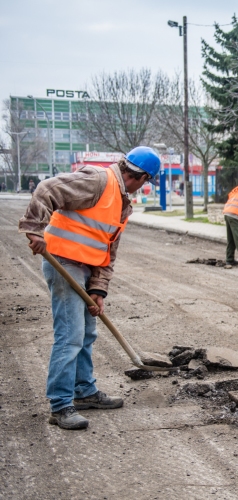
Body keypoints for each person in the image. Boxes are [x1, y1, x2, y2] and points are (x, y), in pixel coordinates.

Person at [18, 146, 160, 430]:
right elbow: (47, 189)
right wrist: (34, 228)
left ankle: (84, 391)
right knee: (70, 335)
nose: (146, 186)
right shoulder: (97, 180)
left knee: (87, 333)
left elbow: (108, 252)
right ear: (141, 176)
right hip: (63, 262)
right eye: (148, 181)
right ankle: (60, 405)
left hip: (86, 268)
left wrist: (98, 290)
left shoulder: (122, 204)